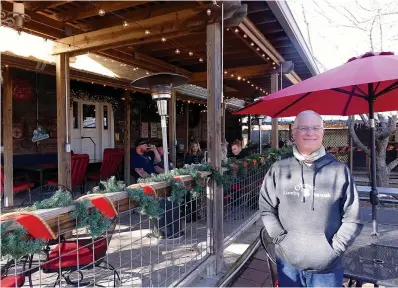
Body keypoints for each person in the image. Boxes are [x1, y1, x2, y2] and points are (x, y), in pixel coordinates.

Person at [259, 110, 363, 287]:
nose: (310, 133)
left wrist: (334, 249)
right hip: (288, 263)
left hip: (328, 268)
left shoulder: (340, 171)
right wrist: (281, 240)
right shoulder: (279, 169)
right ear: (294, 132)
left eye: (316, 128)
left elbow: (353, 218)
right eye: (304, 128)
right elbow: (266, 208)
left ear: (323, 132)